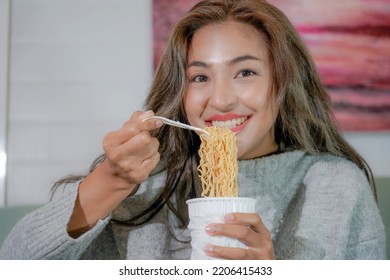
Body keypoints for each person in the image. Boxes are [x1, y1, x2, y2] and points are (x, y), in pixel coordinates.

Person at [0, 0, 386, 260]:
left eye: (245, 72)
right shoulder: (146, 188)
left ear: (283, 82)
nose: (220, 99)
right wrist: (111, 182)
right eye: (199, 77)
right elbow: (14, 261)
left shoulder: (334, 186)